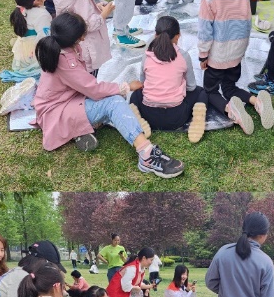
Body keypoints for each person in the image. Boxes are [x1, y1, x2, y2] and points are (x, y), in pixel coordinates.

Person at [32, 13, 184, 177]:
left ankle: (80, 130)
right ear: (78, 38)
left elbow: (88, 86)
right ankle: (146, 153)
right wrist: (125, 87)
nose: (84, 37)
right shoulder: (67, 61)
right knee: (114, 102)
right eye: (84, 33)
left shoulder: (62, 49)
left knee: (112, 96)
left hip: (67, 101)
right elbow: (94, 89)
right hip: (58, 112)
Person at [199, 0, 274, 134]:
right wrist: (241, 50)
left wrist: (203, 56)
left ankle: (230, 110)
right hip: (236, 55)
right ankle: (256, 101)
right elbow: (247, 26)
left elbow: (205, 33)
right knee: (230, 87)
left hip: (217, 58)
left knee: (209, 91)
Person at [127, 14, 208, 142]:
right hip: (177, 117)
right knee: (201, 92)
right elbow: (191, 87)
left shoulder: (147, 55)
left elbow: (143, 83)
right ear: (178, 36)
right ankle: (198, 119)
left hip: (149, 116)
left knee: (135, 94)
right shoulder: (183, 56)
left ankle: (137, 118)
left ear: (155, 35)